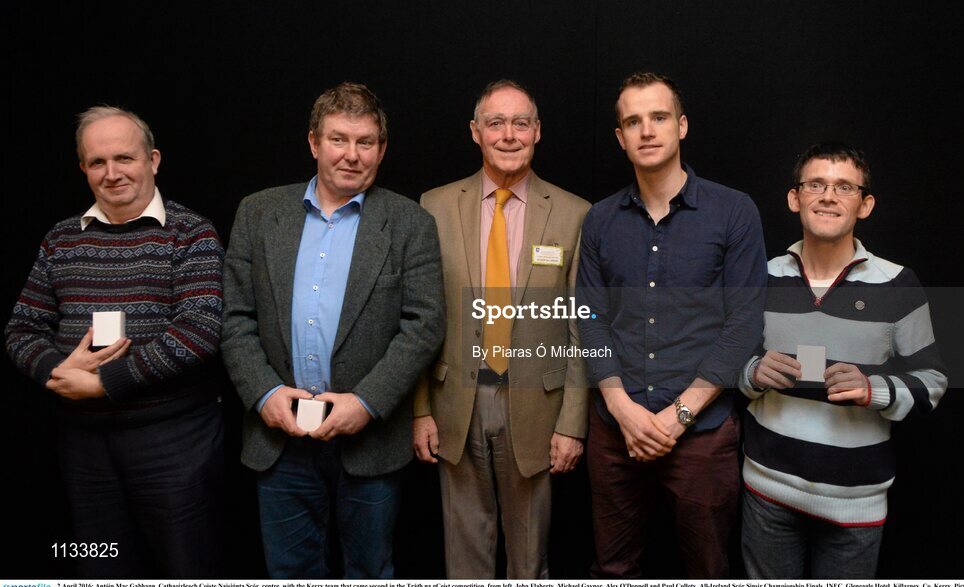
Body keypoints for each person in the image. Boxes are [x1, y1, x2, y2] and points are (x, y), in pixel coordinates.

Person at [221, 82, 444, 579]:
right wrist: (264, 394)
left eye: (365, 142)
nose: (351, 154)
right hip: (279, 440)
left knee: (369, 569)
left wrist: (365, 402)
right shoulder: (258, 214)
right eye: (338, 139)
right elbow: (235, 318)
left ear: (382, 150)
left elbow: (424, 325)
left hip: (369, 444)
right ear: (313, 143)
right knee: (290, 571)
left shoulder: (410, 222)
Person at [5, 106, 225, 578]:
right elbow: (22, 328)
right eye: (97, 162)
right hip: (84, 447)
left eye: (124, 158)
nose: (112, 173)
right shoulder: (61, 239)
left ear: (153, 160)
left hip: (174, 443)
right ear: (83, 168)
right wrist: (56, 372)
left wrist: (104, 382)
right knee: (102, 565)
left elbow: (200, 329)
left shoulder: (191, 233)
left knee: (187, 565)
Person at [576, 72, 767, 578]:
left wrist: (678, 415)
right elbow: (589, 320)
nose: (647, 130)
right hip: (616, 433)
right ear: (620, 137)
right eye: (632, 121)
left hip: (702, 433)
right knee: (613, 567)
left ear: (681, 126)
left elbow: (744, 323)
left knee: (707, 566)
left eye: (658, 117)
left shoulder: (734, 211)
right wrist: (621, 408)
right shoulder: (599, 221)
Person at [738, 143, 947, 579]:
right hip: (766, 490)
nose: (828, 196)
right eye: (816, 184)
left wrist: (875, 390)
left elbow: (932, 381)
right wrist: (752, 373)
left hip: (856, 502)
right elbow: (733, 362)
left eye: (844, 187)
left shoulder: (898, 284)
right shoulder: (763, 275)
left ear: (865, 205)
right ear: (795, 198)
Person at [412, 79, 590, 579]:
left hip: (538, 407)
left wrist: (573, 422)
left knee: (529, 556)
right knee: (463, 554)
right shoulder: (435, 205)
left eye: (520, 123)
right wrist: (420, 410)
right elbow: (420, 319)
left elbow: (580, 328)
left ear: (537, 131)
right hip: (455, 404)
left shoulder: (575, 214)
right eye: (496, 123)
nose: (508, 135)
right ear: (475, 132)